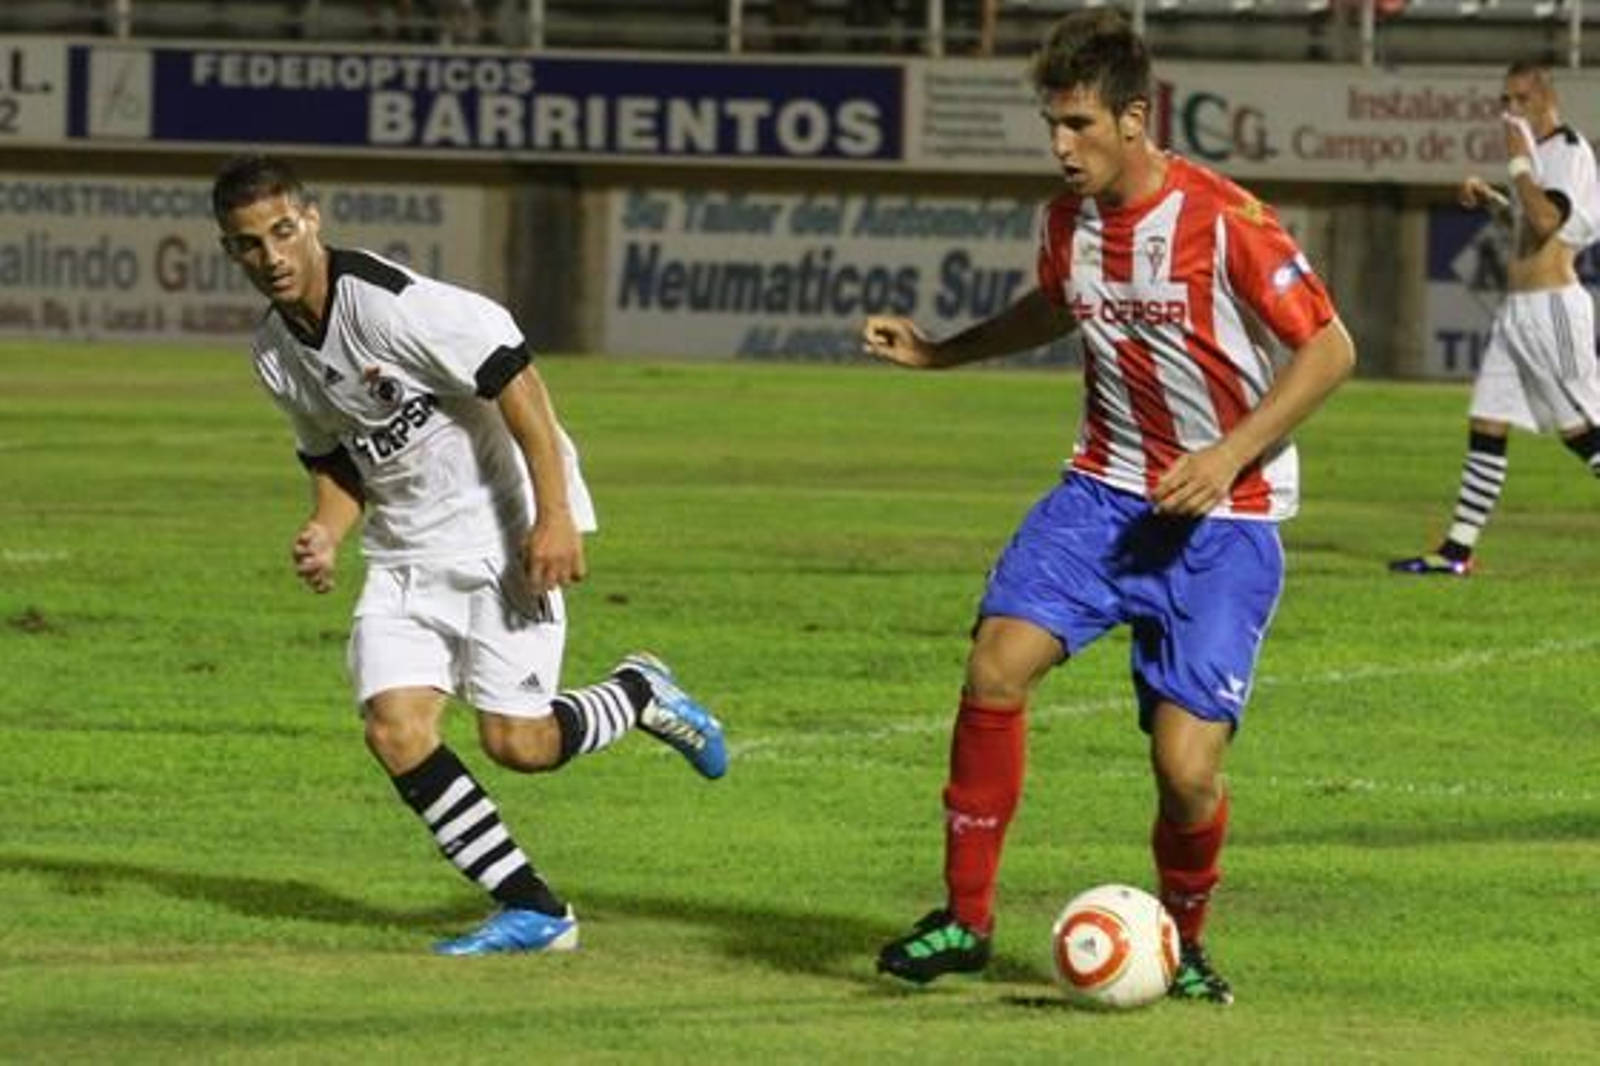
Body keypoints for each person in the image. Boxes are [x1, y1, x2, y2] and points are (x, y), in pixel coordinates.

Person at [861, 11, 1354, 1005]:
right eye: (1051, 123)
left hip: (1227, 516)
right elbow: (1056, 304)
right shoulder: (1064, 221)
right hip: (1100, 493)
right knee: (996, 663)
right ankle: (963, 918)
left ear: (1136, 117)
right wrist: (941, 349)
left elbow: (1330, 347)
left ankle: (1185, 941)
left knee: (1184, 771)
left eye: (1079, 124)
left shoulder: (1224, 220)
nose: (1060, 145)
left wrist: (1226, 454)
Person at [211, 153, 728, 956]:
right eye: (250, 244)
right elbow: (338, 459)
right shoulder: (275, 354)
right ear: (230, 251)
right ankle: (536, 910)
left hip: (500, 533)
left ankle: (638, 693)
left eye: (283, 231)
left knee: (518, 744)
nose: (271, 256)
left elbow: (516, 378)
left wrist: (553, 516)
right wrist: (327, 529)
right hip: (403, 552)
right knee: (395, 729)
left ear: (312, 220)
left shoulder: (393, 307)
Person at [1390, 60, 1600, 578]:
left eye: (1520, 100)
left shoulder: (1565, 149)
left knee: (1584, 430)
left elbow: (1550, 221)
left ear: (1546, 100)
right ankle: (1456, 552)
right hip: (1518, 314)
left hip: (1552, 309)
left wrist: (1516, 164)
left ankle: (1456, 551)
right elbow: (1529, 222)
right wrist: (1495, 202)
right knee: (1488, 421)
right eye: (1504, 101)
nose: (1510, 111)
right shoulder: (1539, 156)